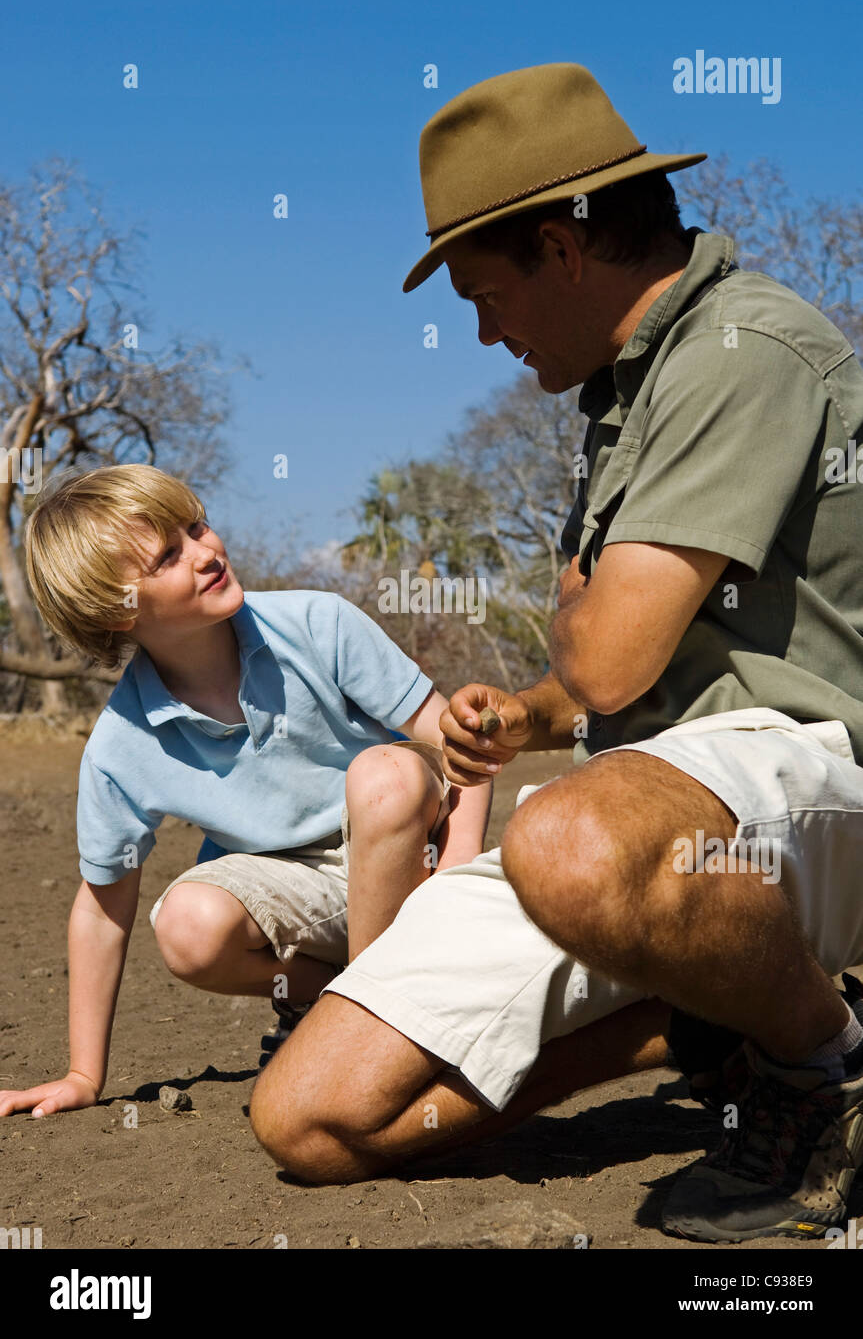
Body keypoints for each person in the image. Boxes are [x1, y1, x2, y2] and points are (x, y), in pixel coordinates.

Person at [248, 63, 863, 1245]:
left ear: (562, 249)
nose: (483, 331)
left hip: (813, 776)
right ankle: (703, 1011)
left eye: (486, 293)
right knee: (310, 1116)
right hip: (674, 817)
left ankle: (821, 1068)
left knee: (567, 838)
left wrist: (577, 636)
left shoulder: (742, 350)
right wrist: (531, 717)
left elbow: (616, 656)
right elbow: (604, 673)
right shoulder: (614, 400)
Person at [0, 462, 492, 1120]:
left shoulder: (318, 621)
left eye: (196, 526)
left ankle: (378, 1025)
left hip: (412, 858)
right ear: (119, 613)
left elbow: (466, 746)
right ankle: (336, 1003)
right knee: (187, 925)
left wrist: (453, 880)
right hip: (302, 892)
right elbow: (100, 909)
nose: (206, 552)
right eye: (170, 555)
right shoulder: (121, 746)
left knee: (385, 775)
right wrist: (84, 1073)